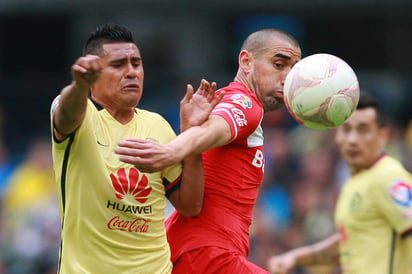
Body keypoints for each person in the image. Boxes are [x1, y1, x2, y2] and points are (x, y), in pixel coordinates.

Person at [115, 28, 302, 273]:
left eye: (294, 70)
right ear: (246, 61)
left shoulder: (225, 101)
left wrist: (184, 138)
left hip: (194, 251)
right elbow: (214, 129)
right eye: (279, 64)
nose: (288, 77)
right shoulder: (245, 103)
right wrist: (170, 152)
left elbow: (203, 138)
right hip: (207, 254)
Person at [50, 23, 221, 273]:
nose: (131, 72)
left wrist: (192, 133)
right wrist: (79, 86)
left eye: (136, 63)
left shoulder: (158, 125)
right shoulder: (81, 114)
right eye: (118, 65)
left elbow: (190, 205)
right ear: (93, 73)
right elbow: (66, 113)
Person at [266, 94, 412, 274]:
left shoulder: (388, 177)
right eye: (346, 129)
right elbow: (350, 241)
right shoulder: (356, 181)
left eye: (363, 130)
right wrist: (296, 257)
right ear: (337, 135)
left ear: (383, 136)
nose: (352, 140)